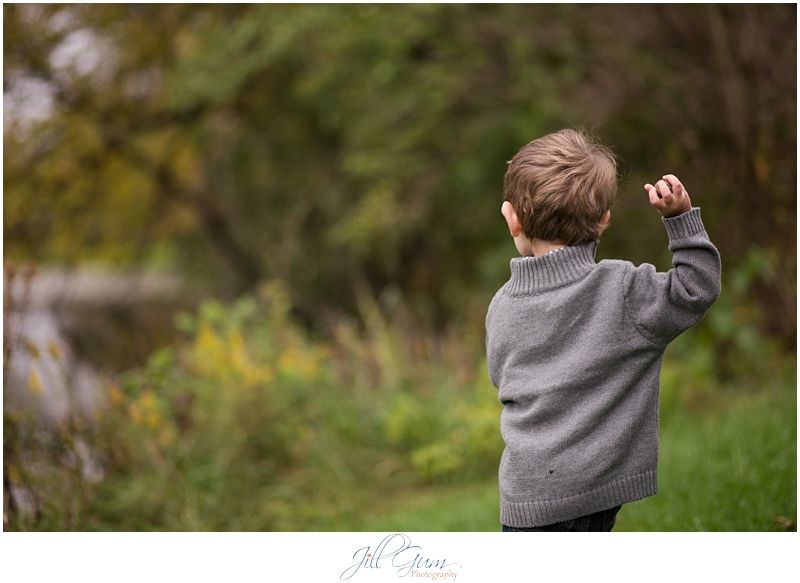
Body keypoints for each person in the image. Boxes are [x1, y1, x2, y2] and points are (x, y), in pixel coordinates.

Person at [485, 128, 721, 532]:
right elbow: (694, 288)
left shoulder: (501, 306)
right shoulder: (624, 291)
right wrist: (681, 220)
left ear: (513, 220)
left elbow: (501, 379)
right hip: (592, 489)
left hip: (526, 492)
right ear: (604, 220)